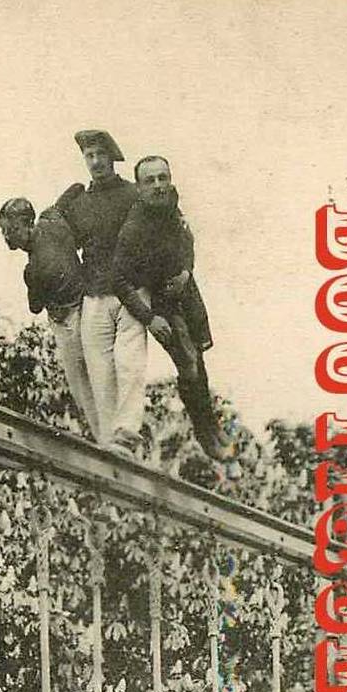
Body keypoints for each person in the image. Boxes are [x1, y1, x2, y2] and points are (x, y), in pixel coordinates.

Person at [112, 154, 236, 472]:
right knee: (189, 363)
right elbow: (119, 279)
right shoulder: (134, 227)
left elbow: (187, 241)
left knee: (199, 359)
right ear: (138, 188)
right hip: (160, 302)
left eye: (162, 178)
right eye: (150, 180)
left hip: (186, 294)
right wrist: (149, 317)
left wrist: (185, 270)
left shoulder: (173, 206)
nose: (158, 186)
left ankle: (210, 427)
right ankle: (206, 435)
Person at [53, 130, 146, 453]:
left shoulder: (134, 195)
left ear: (112, 157)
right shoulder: (80, 203)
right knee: (99, 368)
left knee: (130, 361)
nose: (95, 162)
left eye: (100, 155)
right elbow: (60, 241)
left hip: (132, 290)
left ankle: (128, 430)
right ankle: (109, 441)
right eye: (89, 156)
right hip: (94, 292)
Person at [0, 196, 100, 441]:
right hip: (84, 307)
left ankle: (103, 436)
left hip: (72, 318)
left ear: (25, 223)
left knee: (82, 384)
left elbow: (34, 306)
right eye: (4, 232)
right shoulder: (52, 219)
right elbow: (77, 190)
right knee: (90, 378)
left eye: (10, 230)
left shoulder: (34, 268)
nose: (7, 237)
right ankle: (103, 435)